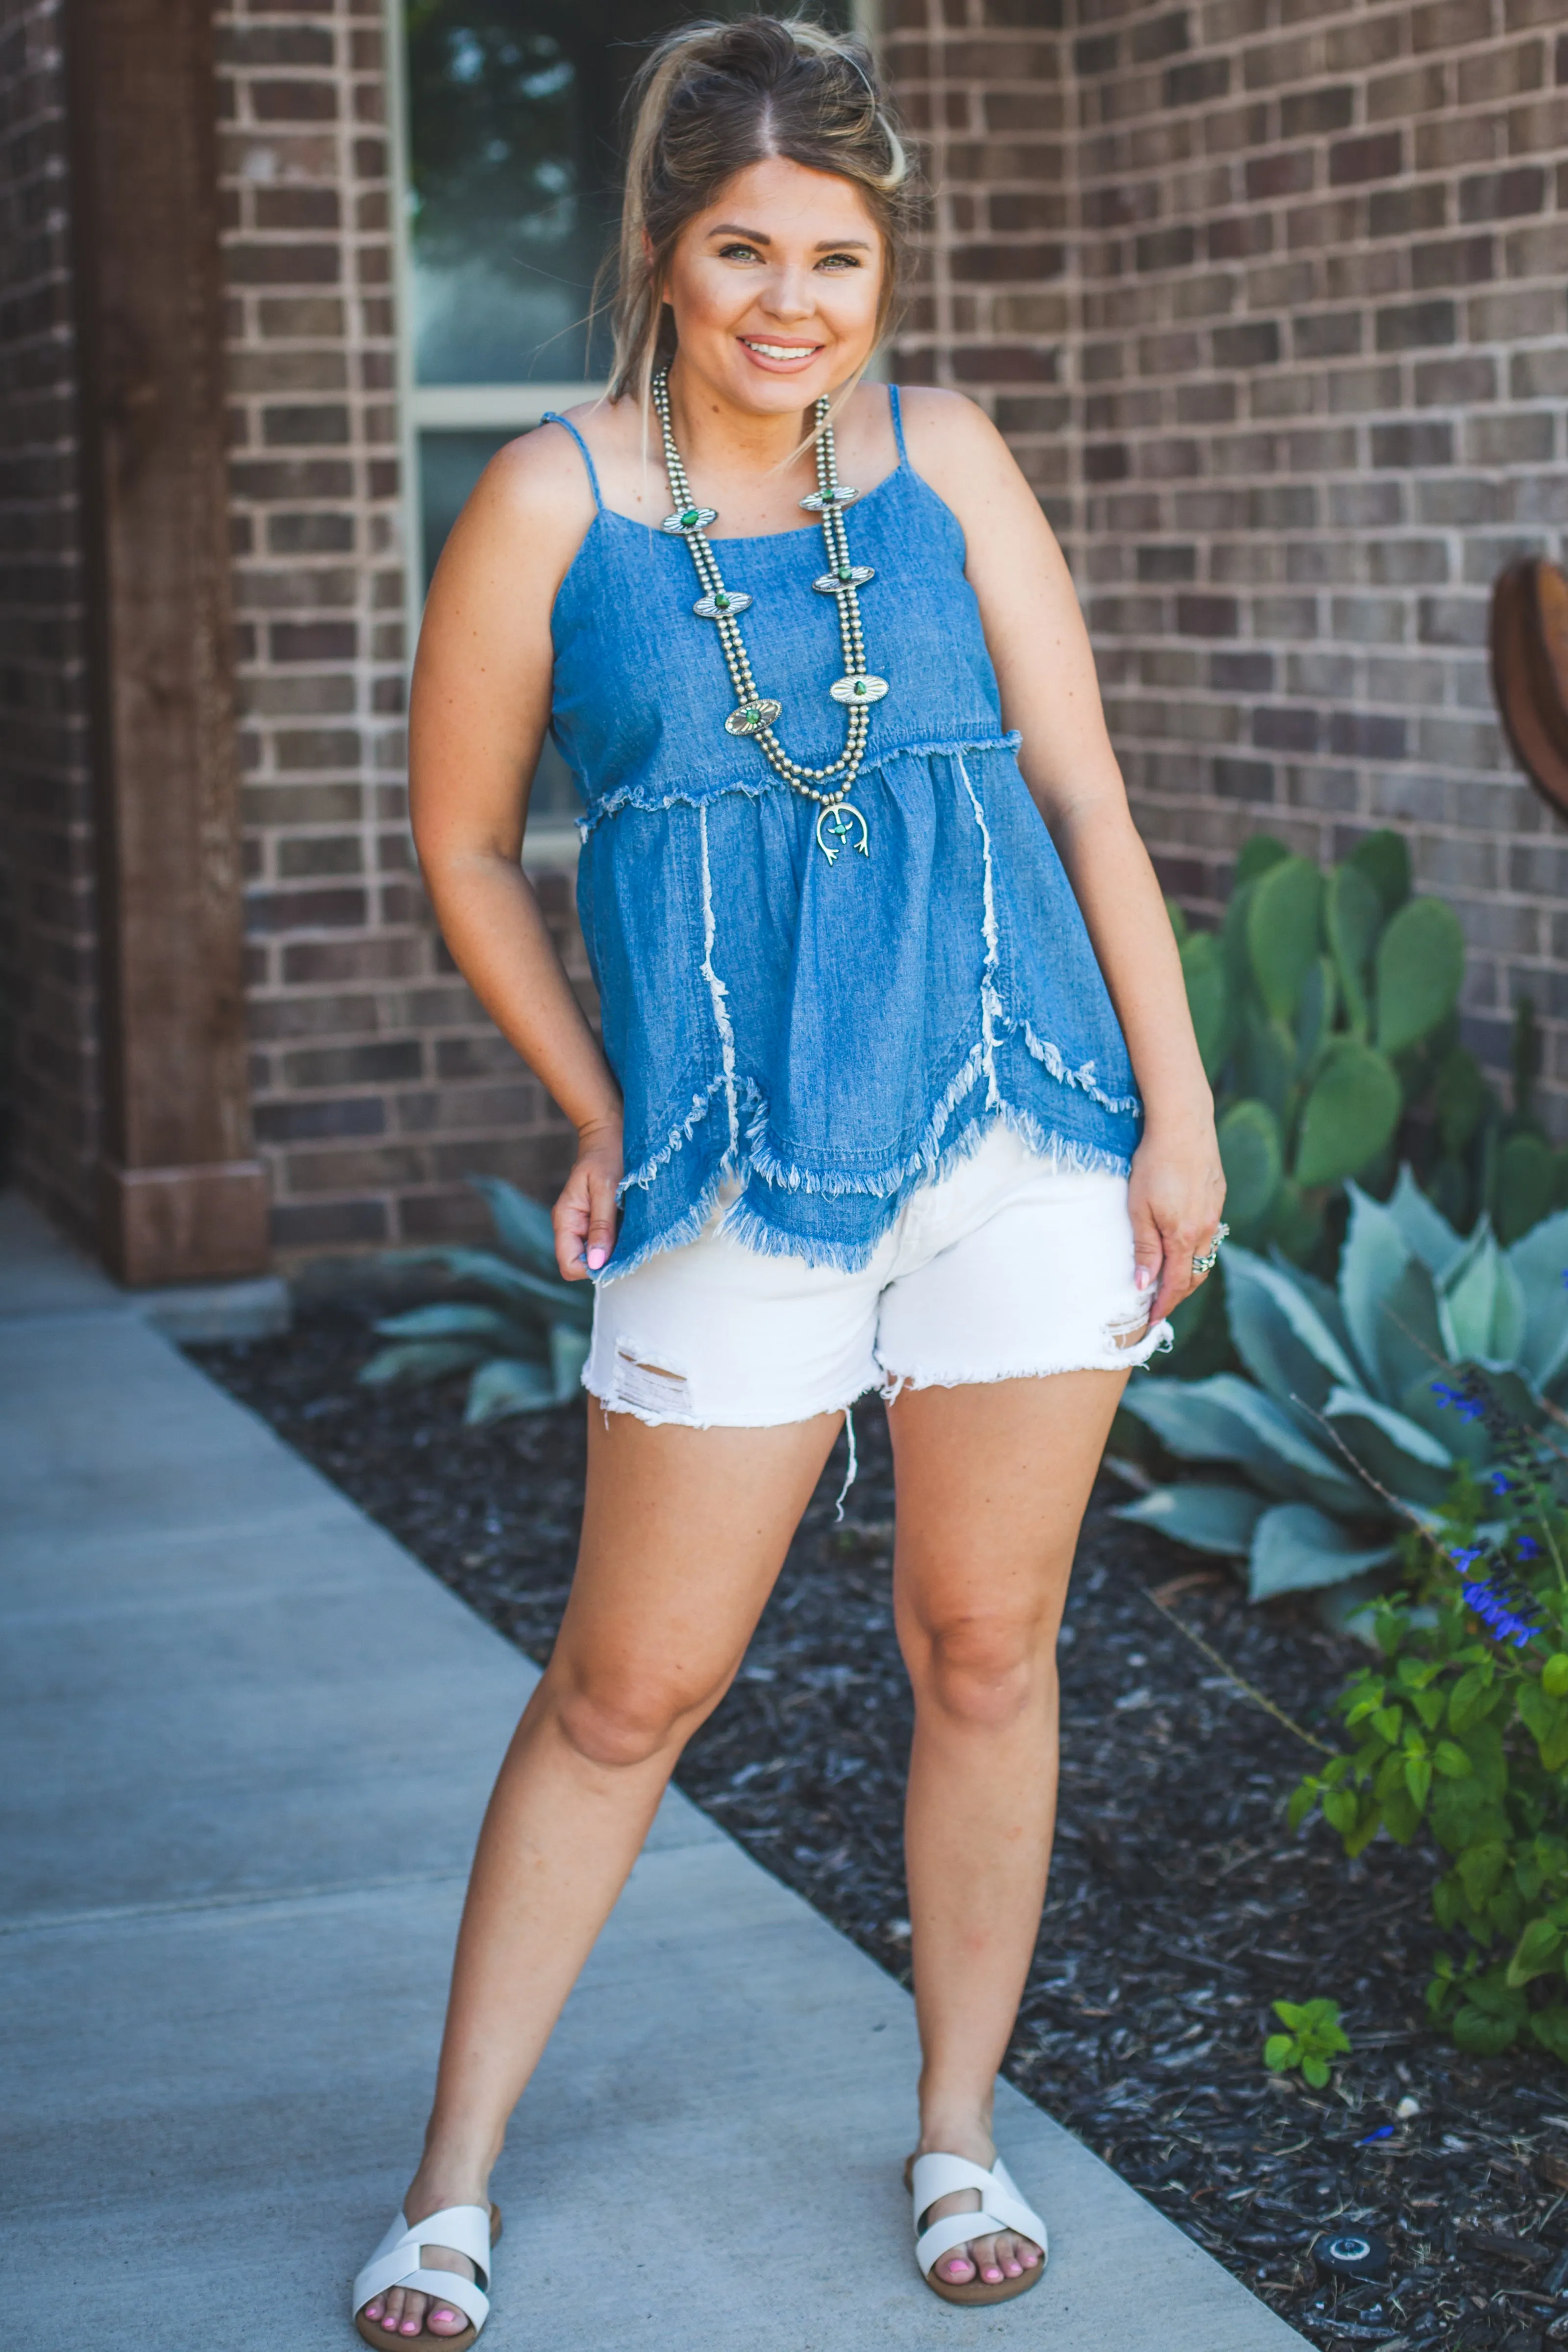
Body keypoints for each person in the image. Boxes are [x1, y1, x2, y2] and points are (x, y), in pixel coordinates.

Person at [351, 16, 1226, 2345]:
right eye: (744, 247)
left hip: (1028, 1128)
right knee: (631, 1685)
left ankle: (956, 2129)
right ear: (661, 249)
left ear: (881, 266)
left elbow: (1087, 799)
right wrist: (597, 1103)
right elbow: (457, 840)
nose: (791, 301)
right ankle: (448, 2182)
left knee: (984, 1641)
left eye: (837, 255)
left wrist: (1182, 1104)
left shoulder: (947, 452)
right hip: (733, 1156)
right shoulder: (552, 498)